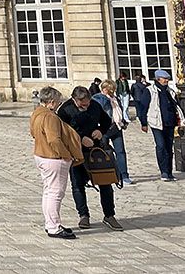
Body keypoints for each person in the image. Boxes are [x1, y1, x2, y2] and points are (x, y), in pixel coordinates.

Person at [58, 86, 123, 231]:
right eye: (82, 104)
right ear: (75, 100)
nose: (86, 106)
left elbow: (106, 121)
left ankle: (109, 215)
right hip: (76, 152)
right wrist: (80, 138)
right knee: (78, 184)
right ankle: (83, 215)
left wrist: (100, 131)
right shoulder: (65, 110)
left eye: (87, 103)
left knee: (105, 182)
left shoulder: (94, 105)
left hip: (96, 150)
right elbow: (63, 132)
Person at [30, 86, 83, 239]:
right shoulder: (50, 116)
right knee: (55, 193)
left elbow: (33, 133)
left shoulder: (37, 113)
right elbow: (54, 139)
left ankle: (51, 223)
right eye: (59, 101)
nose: (60, 104)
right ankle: (53, 226)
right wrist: (66, 155)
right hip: (53, 158)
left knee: (48, 191)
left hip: (41, 154)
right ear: (52, 102)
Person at [137, 69, 185, 182]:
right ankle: (163, 171)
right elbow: (143, 107)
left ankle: (169, 172)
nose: (166, 80)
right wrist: (143, 123)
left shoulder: (170, 91)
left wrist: (181, 120)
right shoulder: (149, 90)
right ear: (158, 79)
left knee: (169, 147)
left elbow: (176, 106)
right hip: (156, 122)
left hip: (170, 122)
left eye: (167, 79)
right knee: (161, 146)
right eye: (164, 79)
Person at [92, 80, 133, 185]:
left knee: (120, 152)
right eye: (111, 90)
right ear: (105, 89)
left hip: (116, 126)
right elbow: (99, 112)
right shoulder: (99, 98)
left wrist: (123, 121)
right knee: (104, 152)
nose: (113, 92)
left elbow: (119, 111)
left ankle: (123, 175)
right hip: (105, 128)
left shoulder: (115, 98)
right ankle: (107, 173)